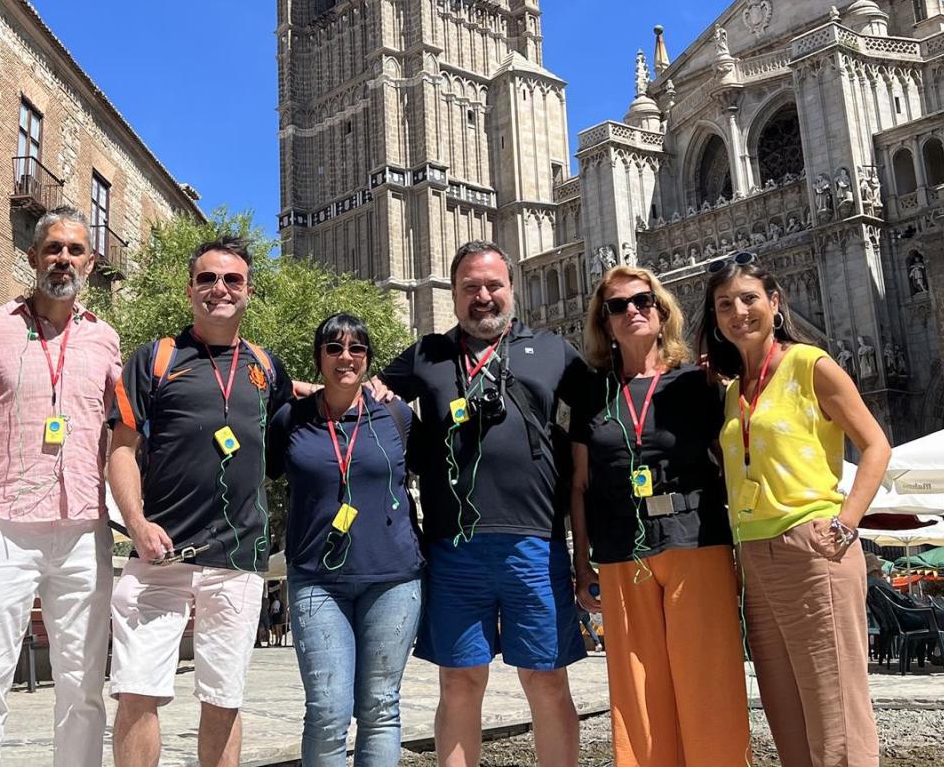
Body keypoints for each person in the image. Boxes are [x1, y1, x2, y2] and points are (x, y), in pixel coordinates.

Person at [375, 240, 586, 767]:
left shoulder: (552, 349)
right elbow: (359, 390)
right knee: (460, 682)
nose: (484, 296)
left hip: (533, 545)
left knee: (546, 681)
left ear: (511, 289)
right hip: (454, 549)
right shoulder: (429, 353)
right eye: (471, 287)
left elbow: (612, 410)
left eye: (493, 285)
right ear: (453, 295)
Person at [107, 237, 294, 767]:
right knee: (137, 694)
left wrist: (363, 385)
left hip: (236, 562)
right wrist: (136, 523)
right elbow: (121, 448)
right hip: (159, 556)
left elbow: (297, 403)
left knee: (223, 700)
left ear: (248, 292)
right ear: (191, 289)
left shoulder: (265, 366)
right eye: (208, 279)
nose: (220, 288)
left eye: (232, 280)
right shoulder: (156, 358)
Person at [700, 252, 891, 767]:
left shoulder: (811, 364)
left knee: (837, 717)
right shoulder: (734, 390)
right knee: (785, 717)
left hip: (811, 550)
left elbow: (876, 445)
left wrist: (846, 522)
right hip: (754, 557)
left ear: (775, 302)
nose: (738, 312)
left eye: (748, 299)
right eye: (724, 305)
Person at [569, 265, 748, 767]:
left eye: (642, 301)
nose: (632, 311)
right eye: (617, 306)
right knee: (637, 693)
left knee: (708, 683)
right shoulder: (591, 392)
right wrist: (582, 566)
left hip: (699, 542)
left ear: (662, 310)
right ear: (604, 322)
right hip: (623, 552)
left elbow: (729, 464)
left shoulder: (699, 382)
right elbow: (579, 486)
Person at [0, 206, 121, 767]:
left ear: (90, 260)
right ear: (33, 256)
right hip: (0, 518)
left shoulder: (105, 338)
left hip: (84, 524)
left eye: (75, 250)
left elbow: (130, 423)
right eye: (53, 248)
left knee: (83, 683)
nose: (64, 259)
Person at [267, 312, 422, 767]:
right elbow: (261, 471)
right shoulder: (291, 419)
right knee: (327, 711)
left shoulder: (395, 415)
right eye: (334, 348)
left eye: (356, 348)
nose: (345, 357)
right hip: (317, 580)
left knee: (380, 708)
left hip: (393, 578)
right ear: (319, 358)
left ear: (369, 359)